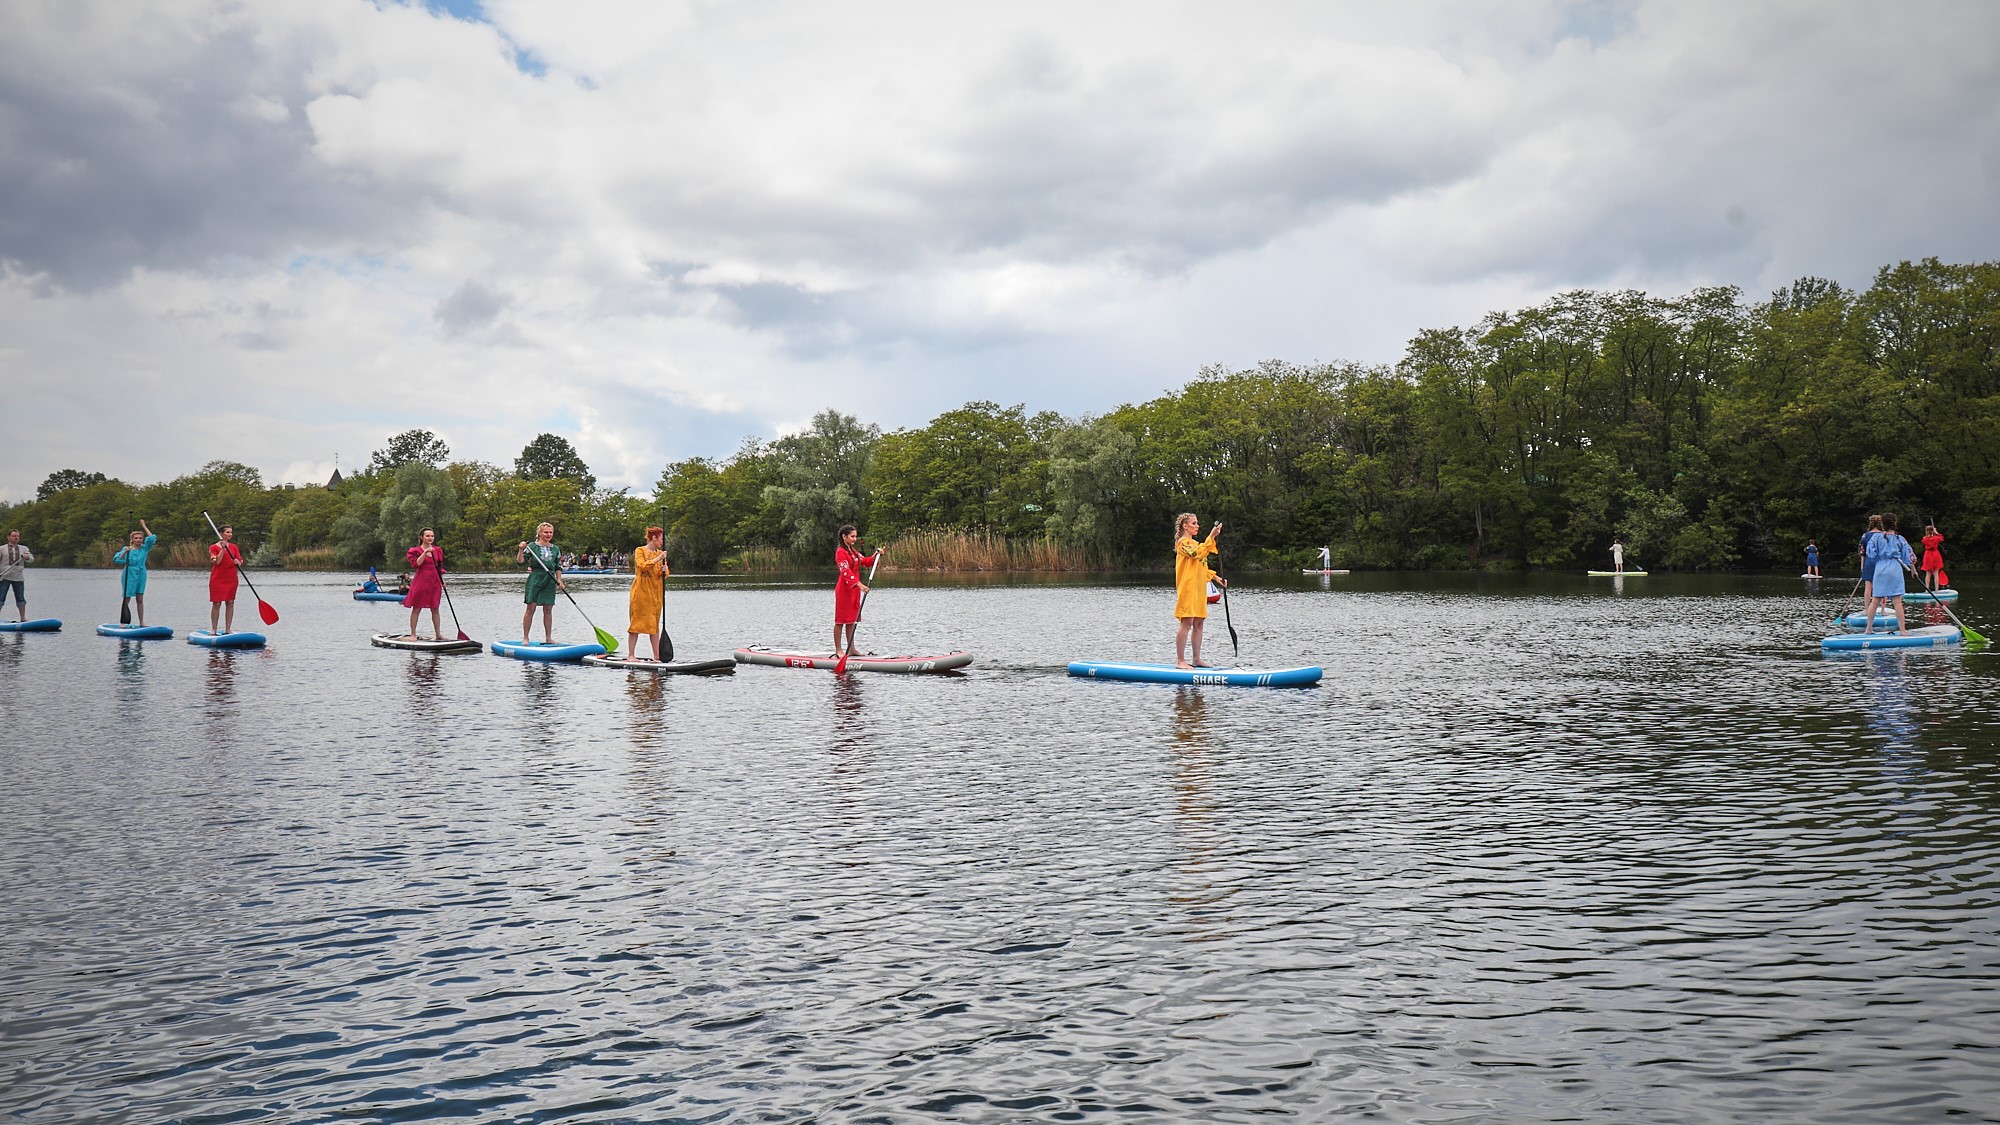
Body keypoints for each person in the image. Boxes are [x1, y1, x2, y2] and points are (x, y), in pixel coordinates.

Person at [1173, 512, 1224, 669]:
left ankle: (1196, 659)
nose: (1197, 526)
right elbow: (1197, 554)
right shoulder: (1183, 543)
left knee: (1199, 623)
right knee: (1186, 622)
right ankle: (1180, 661)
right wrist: (1211, 536)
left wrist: (1216, 578)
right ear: (1185, 526)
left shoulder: (1196, 543)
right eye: (1194, 523)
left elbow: (1202, 565)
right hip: (1188, 588)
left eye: (1197, 523)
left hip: (1199, 588)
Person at [833, 524, 882, 658]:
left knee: (851, 620)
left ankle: (852, 648)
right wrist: (860, 585)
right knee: (840, 620)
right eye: (852, 536)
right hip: (844, 590)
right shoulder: (840, 552)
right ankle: (838, 650)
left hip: (854, 592)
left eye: (855, 536)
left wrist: (876, 556)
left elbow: (866, 561)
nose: (854, 539)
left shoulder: (853, 551)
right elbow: (845, 571)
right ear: (844, 537)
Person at [1862, 512, 1914, 636]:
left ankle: (1868, 629)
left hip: (1880, 568)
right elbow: (1908, 557)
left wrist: (1879, 559)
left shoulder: (1875, 538)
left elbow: (1871, 553)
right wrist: (1913, 569)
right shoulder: (1899, 538)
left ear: (1882, 524)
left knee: (1875, 600)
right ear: (1894, 523)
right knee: (1897, 601)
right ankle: (1902, 630)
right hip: (1895, 568)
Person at [627, 526, 670, 661]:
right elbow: (642, 566)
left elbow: (663, 575)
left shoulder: (660, 554)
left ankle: (656, 656)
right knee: (636, 623)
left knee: (654, 625)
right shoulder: (640, 550)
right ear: (654, 538)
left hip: (655, 594)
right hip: (641, 592)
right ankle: (631, 655)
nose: (662, 542)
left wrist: (665, 569)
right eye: (661, 539)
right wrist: (659, 559)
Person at [517, 523, 564, 643]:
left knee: (548, 609)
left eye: (550, 532)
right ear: (539, 533)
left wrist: (559, 580)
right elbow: (521, 562)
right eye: (546, 532)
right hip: (536, 578)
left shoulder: (555, 549)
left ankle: (548, 638)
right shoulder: (532, 547)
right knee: (531, 608)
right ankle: (526, 638)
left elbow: (558, 566)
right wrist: (521, 549)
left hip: (550, 579)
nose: (548, 535)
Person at [402, 528, 446, 640]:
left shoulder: (437, 550)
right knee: (417, 608)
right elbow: (416, 564)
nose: (430, 538)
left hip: (434, 582)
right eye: (427, 536)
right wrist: (425, 552)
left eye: (432, 536)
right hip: (421, 582)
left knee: (435, 608)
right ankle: (413, 634)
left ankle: (438, 634)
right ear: (422, 537)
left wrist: (442, 580)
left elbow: (439, 567)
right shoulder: (415, 550)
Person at [112, 520, 157, 626]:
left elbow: (152, 538)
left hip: (141, 573)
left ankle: (141, 622)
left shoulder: (144, 549)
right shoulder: (127, 549)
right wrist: (124, 552)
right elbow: (117, 560)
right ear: (132, 540)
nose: (138, 540)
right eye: (136, 538)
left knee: (140, 598)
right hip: (129, 573)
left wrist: (144, 526)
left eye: (140, 538)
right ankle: (124, 621)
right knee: (126, 598)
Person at [208, 524, 243, 634]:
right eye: (228, 532)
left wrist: (238, 562)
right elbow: (217, 561)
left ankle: (228, 629)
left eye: (231, 532)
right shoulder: (213, 547)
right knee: (216, 603)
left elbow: (240, 560)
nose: (230, 534)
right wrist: (223, 549)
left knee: (230, 602)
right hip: (218, 579)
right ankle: (214, 629)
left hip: (231, 578)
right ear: (221, 533)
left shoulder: (234, 547)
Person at [1, 530, 34, 623]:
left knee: (20, 598)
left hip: (18, 577)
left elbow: (31, 559)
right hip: (4, 577)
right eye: (14, 536)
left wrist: (27, 557)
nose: (16, 537)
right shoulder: (1, 549)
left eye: (18, 536)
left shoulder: (24, 548)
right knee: (1, 597)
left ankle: (23, 618)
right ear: (8, 537)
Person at [1858, 514, 1880, 607]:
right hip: (1880, 562)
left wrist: (1862, 565)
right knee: (1880, 586)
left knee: (1868, 586)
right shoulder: (1883, 535)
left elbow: (1862, 551)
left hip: (1868, 562)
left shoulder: (1865, 535)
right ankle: (1882, 609)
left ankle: (1867, 609)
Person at [1920, 524, 1946, 593]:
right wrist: (1936, 532)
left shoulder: (1925, 539)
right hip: (1935, 555)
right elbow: (1942, 538)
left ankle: (1927, 590)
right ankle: (1937, 590)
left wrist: (1931, 535)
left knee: (1928, 573)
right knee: (1936, 573)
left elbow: (1923, 541)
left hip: (1928, 555)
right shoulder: (1936, 538)